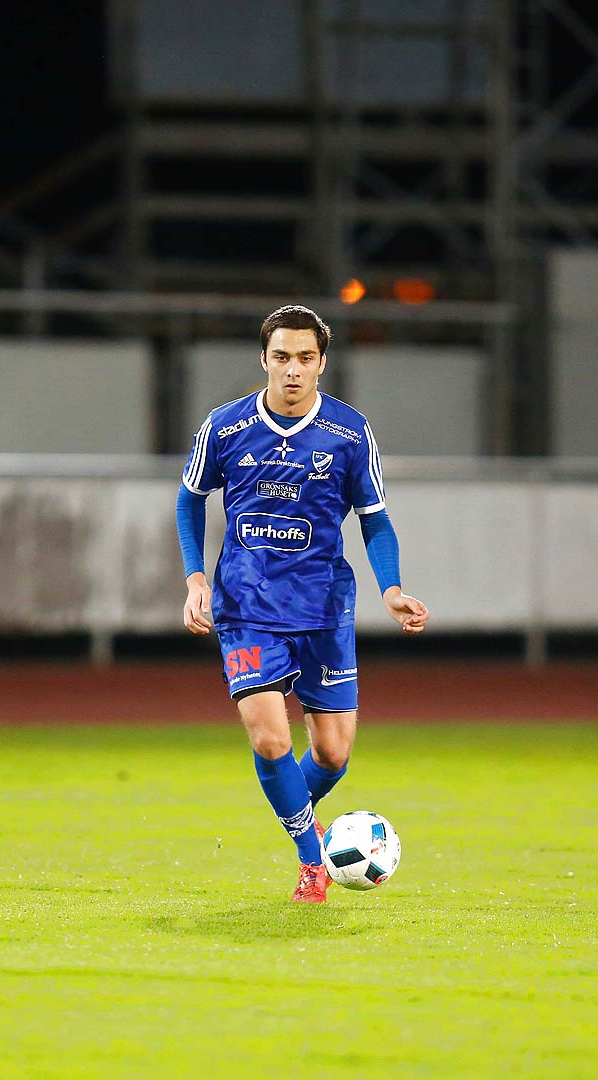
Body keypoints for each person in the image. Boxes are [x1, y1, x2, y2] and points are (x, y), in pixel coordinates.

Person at [175, 305, 429, 903]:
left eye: (305, 359)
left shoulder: (348, 433)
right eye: (282, 357)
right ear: (264, 360)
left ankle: (292, 807)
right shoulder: (225, 427)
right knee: (270, 742)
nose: (293, 370)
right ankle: (312, 859)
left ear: (322, 364)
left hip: (323, 605)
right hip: (247, 603)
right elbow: (190, 501)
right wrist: (194, 579)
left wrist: (390, 587)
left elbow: (376, 521)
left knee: (333, 753)